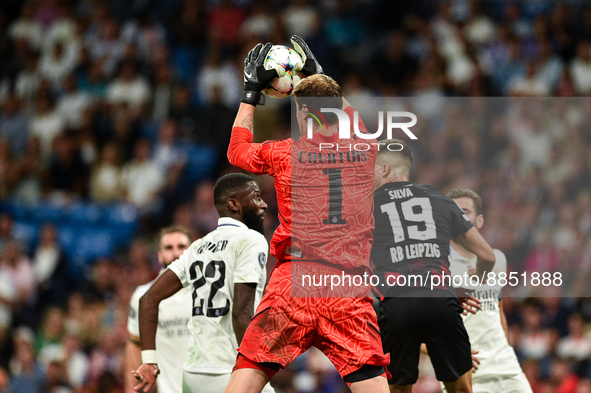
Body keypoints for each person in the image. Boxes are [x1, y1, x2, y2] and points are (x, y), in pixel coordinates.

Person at [224, 36, 390, 393]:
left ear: (301, 113)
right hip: (346, 285)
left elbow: (237, 152)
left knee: (246, 379)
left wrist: (251, 91)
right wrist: (320, 77)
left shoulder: (285, 153)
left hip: (293, 284)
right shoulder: (366, 148)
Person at [371, 139, 496, 393]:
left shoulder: (366, 205)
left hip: (396, 306)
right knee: (461, 390)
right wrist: (467, 287)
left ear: (384, 169)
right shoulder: (438, 197)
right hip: (441, 299)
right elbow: (488, 256)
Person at [132, 173, 274, 393]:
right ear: (234, 204)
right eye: (255, 197)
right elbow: (240, 312)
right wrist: (257, 363)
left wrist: (149, 360)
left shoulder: (198, 246)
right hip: (230, 369)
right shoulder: (251, 240)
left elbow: (148, 298)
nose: (263, 204)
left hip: (194, 374)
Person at [444, 189, 532, 393]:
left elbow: (498, 310)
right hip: (467, 374)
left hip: (507, 368)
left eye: (465, 212)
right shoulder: (436, 266)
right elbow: (417, 329)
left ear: (479, 220)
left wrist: (507, 350)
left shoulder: (498, 258)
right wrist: (451, 353)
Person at [124, 225, 192, 393]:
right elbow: (134, 346)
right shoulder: (143, 296)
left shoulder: (208, 293)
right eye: (169, 248)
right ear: (159, 256)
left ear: (192, 253)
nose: (176, 253)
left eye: (182, 247)